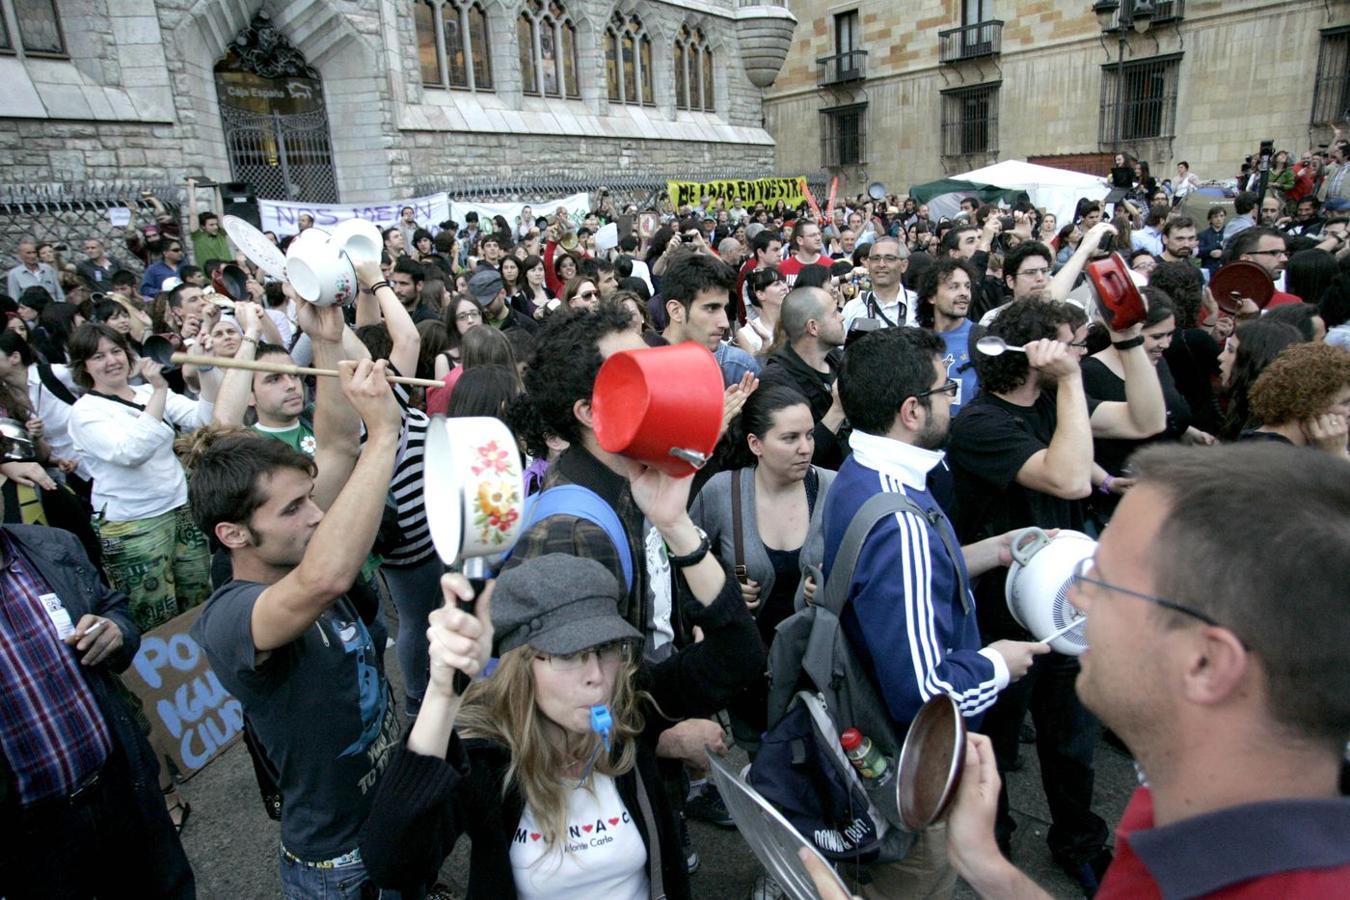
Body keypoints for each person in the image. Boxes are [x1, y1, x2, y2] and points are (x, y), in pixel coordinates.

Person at [945, 443, 1350, 899]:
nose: (1076, 599)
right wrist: (987, 865)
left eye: (1102, 582)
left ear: (1205, 663)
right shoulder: (1187, 795)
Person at [359, 549, 762, 899]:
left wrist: (678, 528)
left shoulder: (629, 707)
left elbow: (740, 654)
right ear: (521, 665)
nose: (596, 677)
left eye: (605, 648)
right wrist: (443, 693)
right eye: (568, 654)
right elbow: (394, 863)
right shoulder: (488, 756)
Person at [947, 296, 1166, 891]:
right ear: (1031, 353)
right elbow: (1068, 478)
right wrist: (1069, 381)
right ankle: (993, 841)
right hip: (1000, 614)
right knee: (992, 740)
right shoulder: (981, 423)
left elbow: (1148, 420)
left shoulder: (1053, 401)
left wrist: (1127, 343)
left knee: (1072, 739)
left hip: (1064, 604)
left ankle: (1079, 838)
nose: (1078, 352)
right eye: (1070, 342)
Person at [823, 326, 1049, 897]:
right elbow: (926, 696)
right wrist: (998, 664)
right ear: (911, 411)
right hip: (912, 767)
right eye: (948, 389)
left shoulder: (865, 474)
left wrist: (997, 550)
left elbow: (911, 578)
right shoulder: (899, 524)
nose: (957, 398)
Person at [190, 359, 404, 897]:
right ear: (233, 534)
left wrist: (329, 334)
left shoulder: (298, 541)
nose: (315, 515)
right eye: (293, 508)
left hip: (390, 820)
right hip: (338, 865)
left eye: (310, 498)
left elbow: (333, 449)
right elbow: (324, 581)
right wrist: (384, 435)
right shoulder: (232, 616)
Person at [0, 510, 195, 898]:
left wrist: (116, 631)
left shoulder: (52, 547)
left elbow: (112, 608)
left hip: (121, 789)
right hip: (29, 840)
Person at [689, 384, 835, 750]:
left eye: (809, 435)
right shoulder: (723, 492)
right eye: (789, 438)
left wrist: (835, 584)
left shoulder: (833, 488)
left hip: (817, 672)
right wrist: (724, 588)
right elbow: (684, 563)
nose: (805, 447)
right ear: (756, 444)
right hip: (751, 679)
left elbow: (863, 569)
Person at [759, 286, 848, 468]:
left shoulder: (838, 359)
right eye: (834, 313)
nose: (842, 317)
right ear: (813, 327)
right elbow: (795, 458)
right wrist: (838, 410)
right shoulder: (776, 381)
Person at [659, 251, 759, 386]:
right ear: (676, 311)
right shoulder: (638, 367)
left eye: (725, 308)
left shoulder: (738, 367)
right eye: (711, 308)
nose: (725, 323)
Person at [1240, 342, 1349, 455]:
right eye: (1345, 403)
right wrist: (1337, 454)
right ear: (1310, 403)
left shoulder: (1253, 441)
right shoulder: (1275, 458)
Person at [1217, 319, 1305, 441]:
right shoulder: (1243, 406)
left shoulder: (1265, 434)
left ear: (1254, 361)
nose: (1221, 357)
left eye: (1231, 350)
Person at [916, 257, 980, 416]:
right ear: (932, 296)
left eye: (967, 286)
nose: (964, 293)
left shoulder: (981, 339)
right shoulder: (917, 342)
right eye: (954, 287)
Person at [841, 237, 917, 335]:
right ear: (868, 264)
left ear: (903, 265)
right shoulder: (852, 308)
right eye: (876, 258)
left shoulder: (918, 305)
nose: (881, 264)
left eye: (889, 258)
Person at [1226, 227, 1299, 307]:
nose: (1284, 259)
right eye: (1274, 253)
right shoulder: (1216, 304)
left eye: (1285, 253)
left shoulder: (1292, 305)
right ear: (1246, 259)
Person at [470, 268, 538, 335]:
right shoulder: (473, 324)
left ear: (503, 293)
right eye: (479, 304)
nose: (484, 309)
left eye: (488, 303)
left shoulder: (526, 326)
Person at [735, 267, 787, 355]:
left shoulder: (796, 322)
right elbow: (756, 367)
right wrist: (765, 344)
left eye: (784, 282)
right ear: (761, 295)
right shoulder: (746, 333)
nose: (785, 287)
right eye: (777, 284)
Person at [777, 219, 824, 288]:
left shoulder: (830, 264)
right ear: (800, 240)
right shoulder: (782, 267)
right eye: (812, 235)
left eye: (819, 234)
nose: (818, 238)